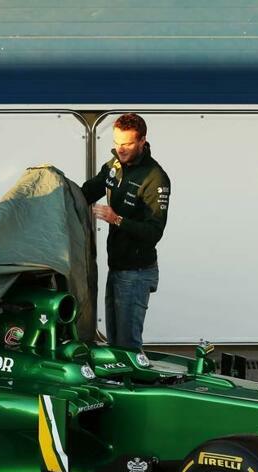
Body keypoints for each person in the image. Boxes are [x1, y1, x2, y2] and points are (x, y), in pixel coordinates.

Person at [82, 113, 171, 350]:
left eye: (128, 144)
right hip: (117, 268)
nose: (120, 149)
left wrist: (116, 219)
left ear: (142, 141)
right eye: (116, 143)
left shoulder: (155, 178)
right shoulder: (115, 166)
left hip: (137, 273)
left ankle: (134, 385)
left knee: (127, 346)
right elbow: (88, 191)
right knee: (114, 344)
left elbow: (154, 232)